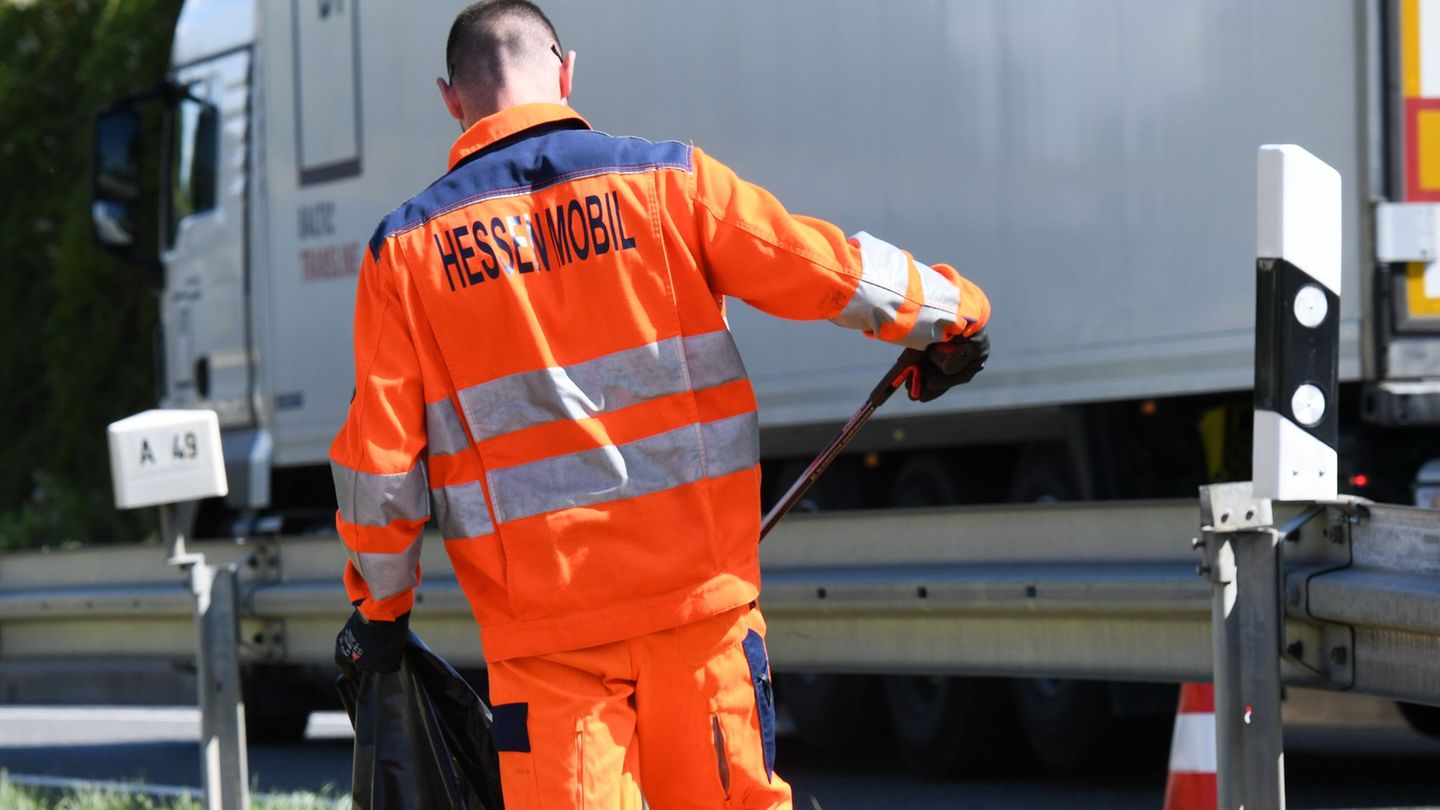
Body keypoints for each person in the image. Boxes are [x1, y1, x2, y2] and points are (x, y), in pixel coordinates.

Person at [330, 1, 991, 807]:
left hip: (547, 641)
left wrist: (383, 610)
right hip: (698, 611)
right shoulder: (668, 183)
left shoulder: (404, 253)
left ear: (451, 98)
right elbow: (819, 269)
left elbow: (380, 471)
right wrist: (950, 313)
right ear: (566, 71)